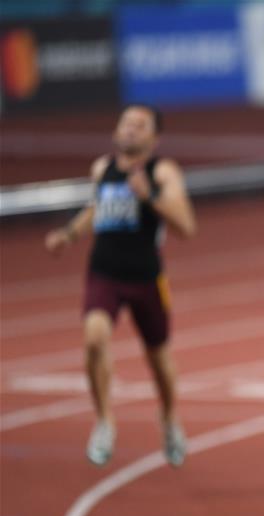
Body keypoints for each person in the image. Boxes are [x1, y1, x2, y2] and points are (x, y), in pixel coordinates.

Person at [45, 103, 197, 467]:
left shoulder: (163, 171)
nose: (130, 129)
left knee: (158, 359)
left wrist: (150, 196)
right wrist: (68, 234)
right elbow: (97, 207)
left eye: (139, 125)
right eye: (126, 122)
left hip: (146, 278)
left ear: (153, 137)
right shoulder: (102, 168)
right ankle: (104, 422)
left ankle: (170, 419)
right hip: (104, 273)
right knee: (95, 338)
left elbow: (185, 226)